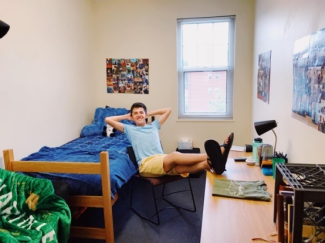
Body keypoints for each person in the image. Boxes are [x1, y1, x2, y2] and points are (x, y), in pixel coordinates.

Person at [105, 102, 234, 177]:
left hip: (161, 161)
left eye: (141, 112)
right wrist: (127, 116)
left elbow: (168, 110)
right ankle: (216, 154)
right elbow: (108, 120)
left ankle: (212, 164)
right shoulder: (129, 129)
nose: (139, 115)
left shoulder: (153, 126)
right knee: (174, 156)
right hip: (146, 165)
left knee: (182, 168)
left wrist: (149, 113)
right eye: (135, 113)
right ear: (132, 117)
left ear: (145, 115)